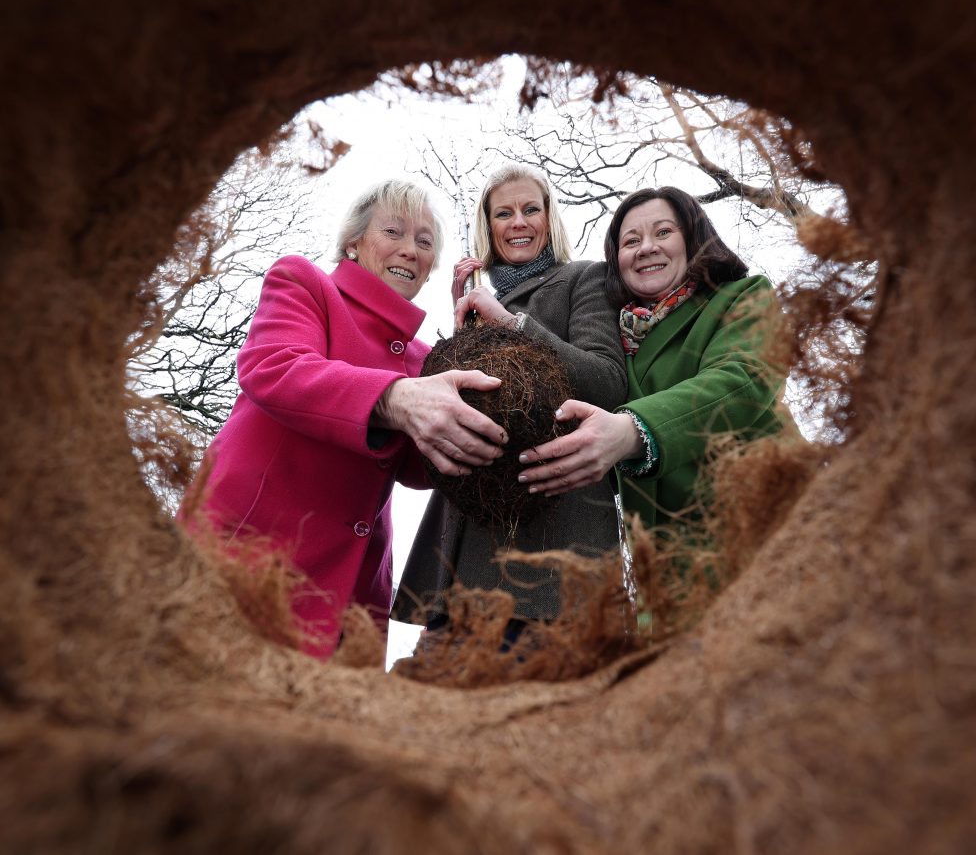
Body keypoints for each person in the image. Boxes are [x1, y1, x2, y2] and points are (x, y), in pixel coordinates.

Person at [180, 180, 508, 660]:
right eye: (393, 231)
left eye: (424, 242)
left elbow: (419, 470)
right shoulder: (304, 284)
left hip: (350, 599)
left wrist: (470, 362)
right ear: (353, 243)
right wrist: (396, 400)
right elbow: (274, 366)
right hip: (241, 564)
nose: (409, 250)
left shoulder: (425, 358)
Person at [392, 163, 627, 640]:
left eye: (530, 210)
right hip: (463, 553)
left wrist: (510, 322)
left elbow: (607, 382)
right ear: (489, 226)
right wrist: (462, 339)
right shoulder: (483, 300)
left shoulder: (584, 278)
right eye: (504, 213)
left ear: (548, 218)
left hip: (552, 550)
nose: (518, 222)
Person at [518, 185, 786, 538]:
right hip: (668, 568)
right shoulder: (611, 350)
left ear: (693, 240)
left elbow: (743, 380)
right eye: (631, 241)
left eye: (663, 232)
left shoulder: (743, 297)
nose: (646, 248)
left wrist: (630, 432)